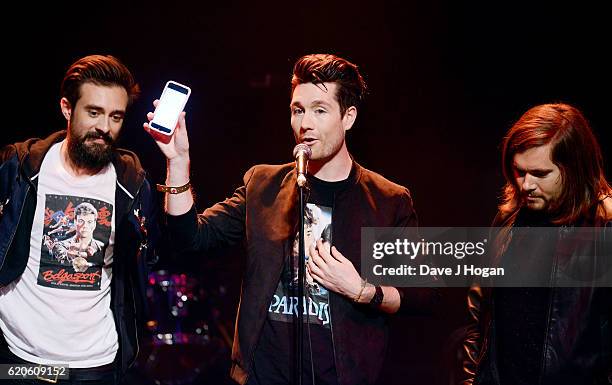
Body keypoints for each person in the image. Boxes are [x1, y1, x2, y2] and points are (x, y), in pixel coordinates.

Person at [146, 53, 435, 385]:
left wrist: (363, 291)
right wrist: (178, 163)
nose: (305, 123)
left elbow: (423, 293)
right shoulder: (263, 185)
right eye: (298, 110)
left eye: (320, 110)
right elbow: (190, 238)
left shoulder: (386, 199)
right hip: (263, 377)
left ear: (349, 117)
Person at [0, 54, 158, 383]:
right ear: (67, 108)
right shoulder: (20, 168)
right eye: (94, 112)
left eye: (116, 116)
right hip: (20, 360)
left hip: (95, 363)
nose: (105, 127)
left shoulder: (132, 184)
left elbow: (157, 254)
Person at [459, 103, 612, 385]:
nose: (525, 184)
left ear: (575, 169)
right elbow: (478, 323)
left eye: (540, 174)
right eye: (519, 171)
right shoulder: (507, 219)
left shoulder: (605, 227)